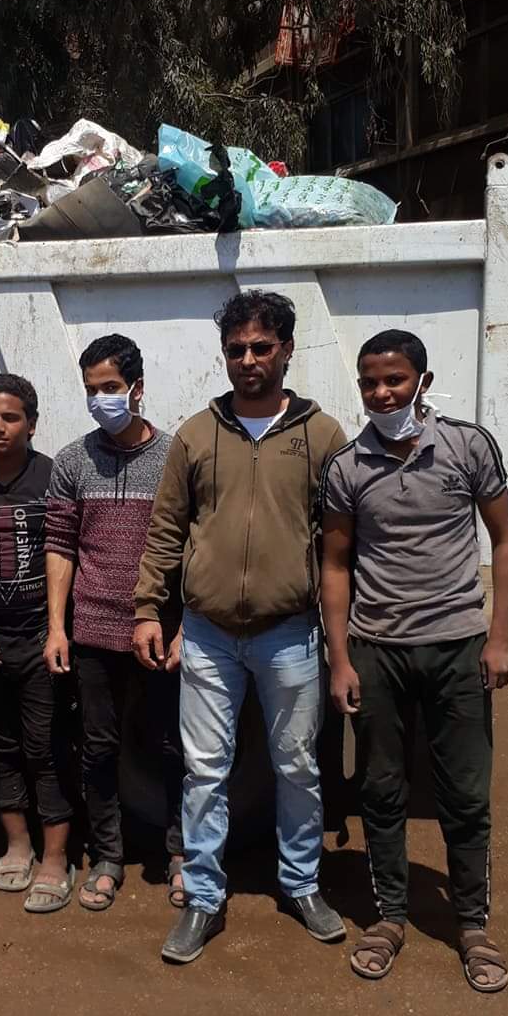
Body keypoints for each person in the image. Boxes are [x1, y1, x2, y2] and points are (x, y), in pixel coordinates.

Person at [134, 290, 348, 965]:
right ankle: (202, 896)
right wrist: (148, 609)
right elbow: (166, 529)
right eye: (236, 349)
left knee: (298, 766)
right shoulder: (197, 434)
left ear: (287, 350)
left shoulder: (323, 436)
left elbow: (341, 544)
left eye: (261, 347)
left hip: (291, 633)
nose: (248, 360)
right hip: (207, 633)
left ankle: (302, 883)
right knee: (204, 771)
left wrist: (344, 638)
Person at [320, 329, 508, 993]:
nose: (382, 393)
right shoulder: (347, 467)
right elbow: (336, 564)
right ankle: (389, 918)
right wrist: (341, 658)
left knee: (465, 793)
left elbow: (505, 539)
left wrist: (499, 637)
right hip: (377, 651)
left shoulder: (468, 446)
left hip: (459, 647)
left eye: (395, 380)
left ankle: (472, 926)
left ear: (423, 383)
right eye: (370, 382)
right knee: (381, 791)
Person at [44, 333, 183, 912]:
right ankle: (107, 856)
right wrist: (58, 627)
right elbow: (60, 545)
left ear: (137, 388)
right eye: (91, 389)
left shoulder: (176, 456)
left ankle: (180, 854)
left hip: (160, 633)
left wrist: (184, 627)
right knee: (98, 749)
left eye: (111, 387)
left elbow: (194, 546)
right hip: (93, 633)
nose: (100, 399)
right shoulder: (72, 460)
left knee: (173, 746)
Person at [0, 373, 75, 912]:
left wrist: (58, 629)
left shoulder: (54, 477)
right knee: (2, 745)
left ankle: (56, 855)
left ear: (32, 423)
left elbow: (71, 552)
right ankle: (17, 845)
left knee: (45, 746)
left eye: (10, 417)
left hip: (42, 637)